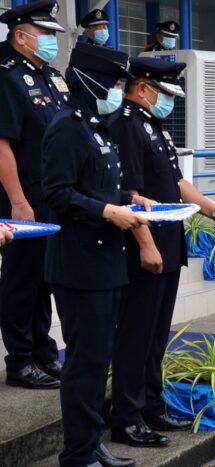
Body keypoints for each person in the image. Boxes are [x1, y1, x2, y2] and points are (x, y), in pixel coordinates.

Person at [108, 57, 215, 448]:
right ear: (142, 89)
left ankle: (151, 407)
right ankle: (127, 417)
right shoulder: (127, 126)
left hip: (169, 243)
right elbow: (132, 197)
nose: (167, 101)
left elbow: (177, 183)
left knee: (155, 335)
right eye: (163, 93)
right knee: (135, 335)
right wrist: (147, 245)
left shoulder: (153, 125)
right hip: (144, 246)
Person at [42, 41, 151, 467]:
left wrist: (132, 201)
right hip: (78, 264)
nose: (117, 91)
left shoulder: (95, 126)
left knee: (98, 358)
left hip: (106, 262)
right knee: (84, 361)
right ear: (88, 80)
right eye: (113, 82)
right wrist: (108, 210)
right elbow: (59, 194)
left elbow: (98, 187)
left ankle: (90, 442)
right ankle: (77, 453)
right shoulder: (67, 127)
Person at [0, 0, 66, 390]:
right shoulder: (6, 76)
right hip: (22, 196)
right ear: (21, 36)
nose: (52, 41)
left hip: (50, 194)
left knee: (43, 278)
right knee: (22, 279)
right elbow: (3, 144)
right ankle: (20, 359)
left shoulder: (49, 76)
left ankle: (43, 351)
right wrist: (18, 201)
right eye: (46, 34)